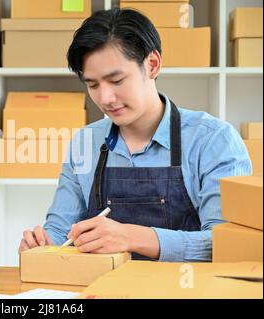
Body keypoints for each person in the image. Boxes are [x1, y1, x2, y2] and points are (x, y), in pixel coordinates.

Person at [18, 8, 252, 262]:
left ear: (152, 65)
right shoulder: (85, 142)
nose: (105, 99)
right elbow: (60, 229)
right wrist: (43, 243)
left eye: (116, 80)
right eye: (93, 85)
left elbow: (229, 245)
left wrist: (131, 237)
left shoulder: (213, 140)